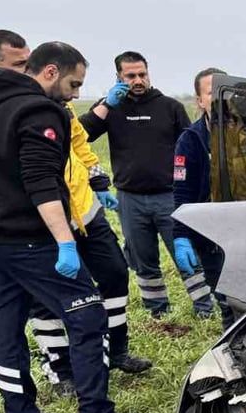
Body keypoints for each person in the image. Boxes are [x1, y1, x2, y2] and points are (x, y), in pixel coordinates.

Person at [0, 32, 152, 395]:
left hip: (83, 208)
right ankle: (62, 369)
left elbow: (79, 144)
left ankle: (117, 350)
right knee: (48, 301)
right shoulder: (23, 108)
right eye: (20, 65)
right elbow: (36, 177)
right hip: (38, 220)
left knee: (114, 272)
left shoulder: (54, 107)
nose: (26, 71)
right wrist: (61, 237)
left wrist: (98, 183)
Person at [79, 51, 205, 318]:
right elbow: (81, 136)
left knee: (186, 255)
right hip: (129, 198)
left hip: (169, 196)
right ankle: (157, 311)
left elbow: (192, 148)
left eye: (142, 74)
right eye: (130, 76)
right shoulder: (111, 108)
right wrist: (106, 105)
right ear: (119, 77)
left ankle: (204, 308)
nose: (138, 80)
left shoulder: (170, 107)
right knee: (143, 260)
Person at [172, 68, 238, 331]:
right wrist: (181, 235)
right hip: (212, 236)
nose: (220, 97)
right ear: (200, 101)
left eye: (226, 90)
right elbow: (182, 191)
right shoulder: (190, 141)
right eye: (212, 92)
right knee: (227, 301)